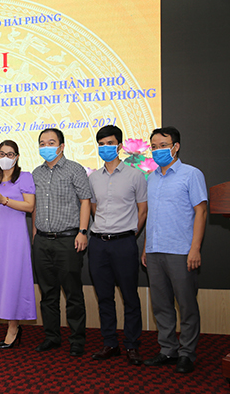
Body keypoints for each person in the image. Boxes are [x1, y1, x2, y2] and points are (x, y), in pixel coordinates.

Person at [142, 127, 207, 374]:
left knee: (187, 305)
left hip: (181, 251)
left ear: (175, 146)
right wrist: (146, 247)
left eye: (163, 145)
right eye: (154, 147)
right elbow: (152, 216)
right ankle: (168, 349)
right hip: (155, 251)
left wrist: (195, 248)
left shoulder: (191, 174)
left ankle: (187, 353)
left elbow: (201, 212)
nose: (158, 150)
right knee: (161, 305)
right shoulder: (151, 178)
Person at [87, 125, 147, 365]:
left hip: (124, 243)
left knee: (130, 297)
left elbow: (142, 210)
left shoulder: (135, 175)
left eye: (110, 143)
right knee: (104, 297)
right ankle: (110, 343)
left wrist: (131, 233)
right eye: (101, 144)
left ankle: (132, 345)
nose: (105, 147)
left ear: (120, 146)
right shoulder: (93, 178)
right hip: (98, 244)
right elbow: (93, 208)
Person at [32, 128, 91, 356]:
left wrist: (83, 232)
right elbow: (35, 207)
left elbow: (85, 201)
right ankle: (52, 337)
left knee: (73, 293)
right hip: (42, 241)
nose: (46, 146)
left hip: (68, 240)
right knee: (48, 294)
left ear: (62, 146)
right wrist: (35, 235)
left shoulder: (75, 169)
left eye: (51, 142)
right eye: (42, 143)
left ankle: (77, 339)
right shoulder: (36, 173)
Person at [0, 140, 37, 349]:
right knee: (1, 277)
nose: (5, 158)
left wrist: (4, 200)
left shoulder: (25, 177)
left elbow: (30, 206)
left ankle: (14, 327)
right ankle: (10, 322)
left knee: (15, 277)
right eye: (1, 153)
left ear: (16, 157)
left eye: (9, 154)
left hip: (16, 235)